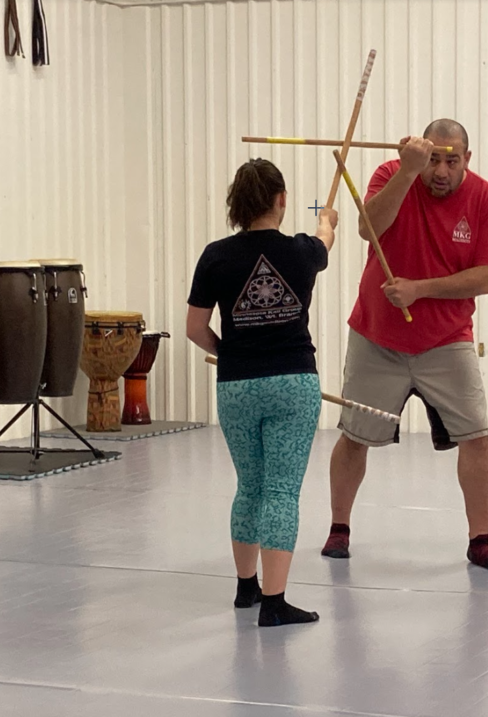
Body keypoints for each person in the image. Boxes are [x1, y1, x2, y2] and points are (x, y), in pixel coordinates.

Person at [321, 119, 488, 573]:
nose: (441, 170)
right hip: (376, 334)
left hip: (447, 340)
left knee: (477, 438)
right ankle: (339, 529)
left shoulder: (486, 199)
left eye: (451, 161)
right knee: (353, 437)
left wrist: (420, 289)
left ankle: (480, 541)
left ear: (468, 158)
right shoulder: (393, 174)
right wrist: (408, 173)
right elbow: (369, 229)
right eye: (433, 160)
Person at [187, 158, 338, 626]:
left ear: (237, 204)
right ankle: (274, 604)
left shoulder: (215, 255)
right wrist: (326, 220)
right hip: (293, 384)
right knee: (280, 492)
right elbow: (325, 240)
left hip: (236, 387)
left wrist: (230, 352)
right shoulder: (300, 251)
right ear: (281, 200)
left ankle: (245, 589)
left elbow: (195, 328)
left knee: (249, 486)